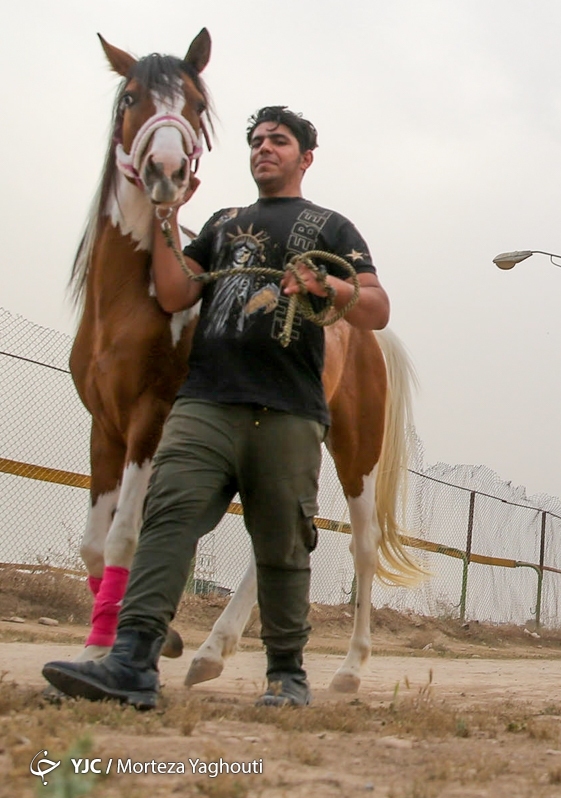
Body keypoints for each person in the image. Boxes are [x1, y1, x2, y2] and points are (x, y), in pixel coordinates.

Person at [43, 106, 390, 709]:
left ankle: (285, 675)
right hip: (205, 400)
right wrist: (170, 218)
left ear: (305, 158)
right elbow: (177, 288)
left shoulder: (333, 227)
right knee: (167, 519)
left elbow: (376, 307)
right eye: (256, 141)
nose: (263, 149)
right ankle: (132, 663)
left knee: (282, 540)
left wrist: (324, 286)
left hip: (288, 407)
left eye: (278, 142)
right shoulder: (224, 223)